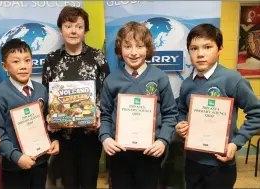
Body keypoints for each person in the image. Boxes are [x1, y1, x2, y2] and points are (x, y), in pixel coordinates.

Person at [175, 23, 260, 189]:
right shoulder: (187, 84)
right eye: (194, 48)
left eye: (207, 47)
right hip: (192, 161)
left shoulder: (233, 79)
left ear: (220, 48)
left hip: (221, 164)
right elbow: (181, 111)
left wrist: (236, 143)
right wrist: (180, 124)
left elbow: (256, 113)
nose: (200, 54)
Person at [99, 21, 178, 189]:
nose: (134, 52)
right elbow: (104, 114)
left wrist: (163, 140)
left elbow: (170, 113)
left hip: (150, 153)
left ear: (148, 49)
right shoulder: (111, 80)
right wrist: (105, 137)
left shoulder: (159, 77)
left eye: (140, 46)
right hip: (119, 153)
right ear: (120, 49)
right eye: (128, 46)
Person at [42, 6, 110, 189]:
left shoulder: (98, 57)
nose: (73, 31)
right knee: (68, 182)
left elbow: (106, 92)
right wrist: (49, 116)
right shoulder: (51, 60)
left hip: (90, 134)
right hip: (63, 135)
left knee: (89, 181)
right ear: (60, 29)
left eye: (79, 26)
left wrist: (99, 112)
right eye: (68, 26)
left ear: (86, 30)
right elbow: (46, 93)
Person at [0, 38, 59, 189]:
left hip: (41, 161)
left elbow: (49, 121)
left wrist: (54, 139)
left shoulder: (41, 90)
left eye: (27, 60)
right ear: (4, 66)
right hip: (14, 165)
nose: (23, 66)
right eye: (16, 62)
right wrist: (17, 157)